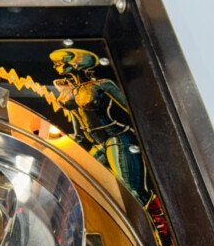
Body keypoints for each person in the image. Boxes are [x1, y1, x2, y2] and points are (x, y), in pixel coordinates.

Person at [51, 47, 149, 203]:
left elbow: (132, 111)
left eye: (59, 62)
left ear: (74, 63)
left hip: (118, 138)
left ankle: (155, 217)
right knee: (77, 180)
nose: (55, 66)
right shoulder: (68, 91)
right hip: (98, 144)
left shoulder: (103, 85)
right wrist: (69, 143)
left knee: (132, 193)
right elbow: (78, 124)